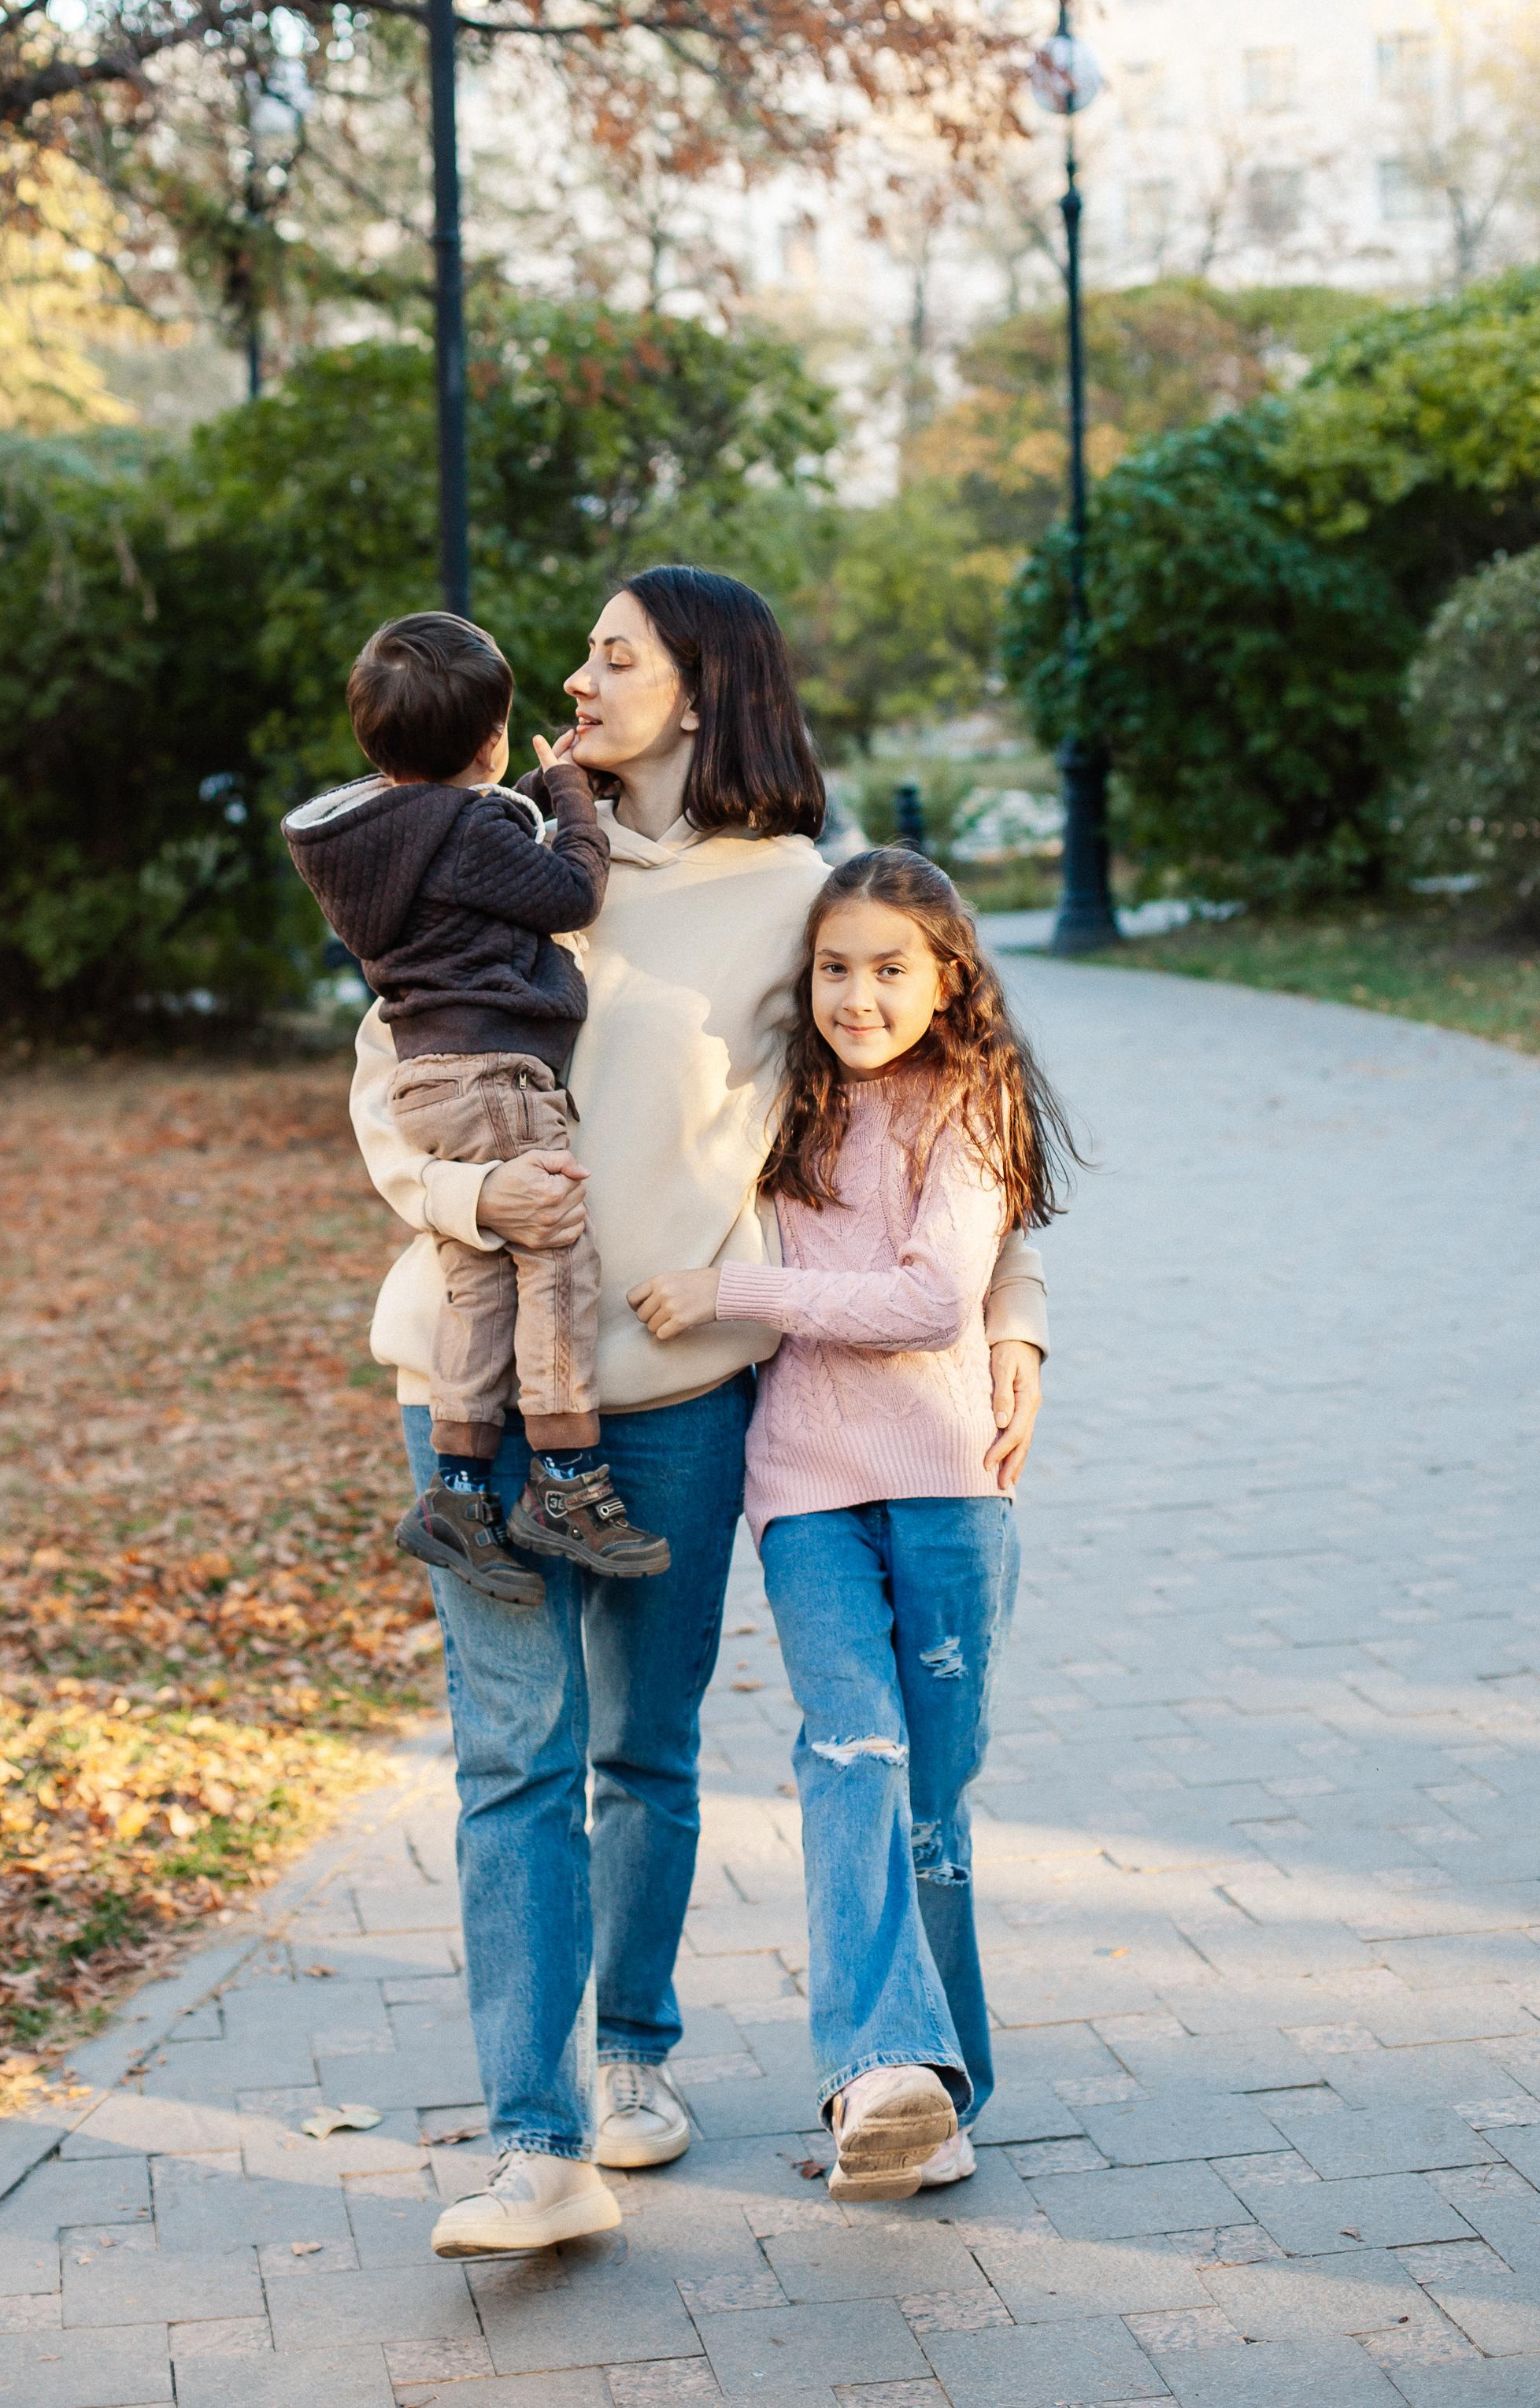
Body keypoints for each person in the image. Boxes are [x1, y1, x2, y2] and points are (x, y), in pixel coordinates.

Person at [346, 568, 1049, 2254]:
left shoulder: (792, 893)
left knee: (638, 1751)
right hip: (467, 1382)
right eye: (583, 656)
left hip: (666, 1402)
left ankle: (630, 2057)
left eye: (614, 655)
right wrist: (458, 1200)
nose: (575, 680)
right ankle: (534, 2145)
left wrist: (1015, 1310)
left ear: (702, 689)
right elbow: (386, 1069)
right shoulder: (491, 838)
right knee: (509, 1754)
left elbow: (932, 1096)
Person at [631, 847, 1075, 2200]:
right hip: (805, 1488)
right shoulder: (782, 1098)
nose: (857, 996)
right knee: (851, 1750)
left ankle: (942, 2093)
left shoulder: (970, 1103)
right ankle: (874, 2075)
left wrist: (734, 1292)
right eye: (834, 968)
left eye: (889, 969)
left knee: (929, 1799)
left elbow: (933, 1299)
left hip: (949, 1484)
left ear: (948, 981)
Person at [284, 611, 667, 1592]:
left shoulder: (377, 837)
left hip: (429, 1080)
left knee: (482, 1281)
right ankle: (565, 1479)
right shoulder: (469, 834)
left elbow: (478, 840)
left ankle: (456, 1492)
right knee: (558, 1257)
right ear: (492, 740)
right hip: (497, 1072)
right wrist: (572, 796)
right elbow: (569, 889)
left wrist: (529, 795)